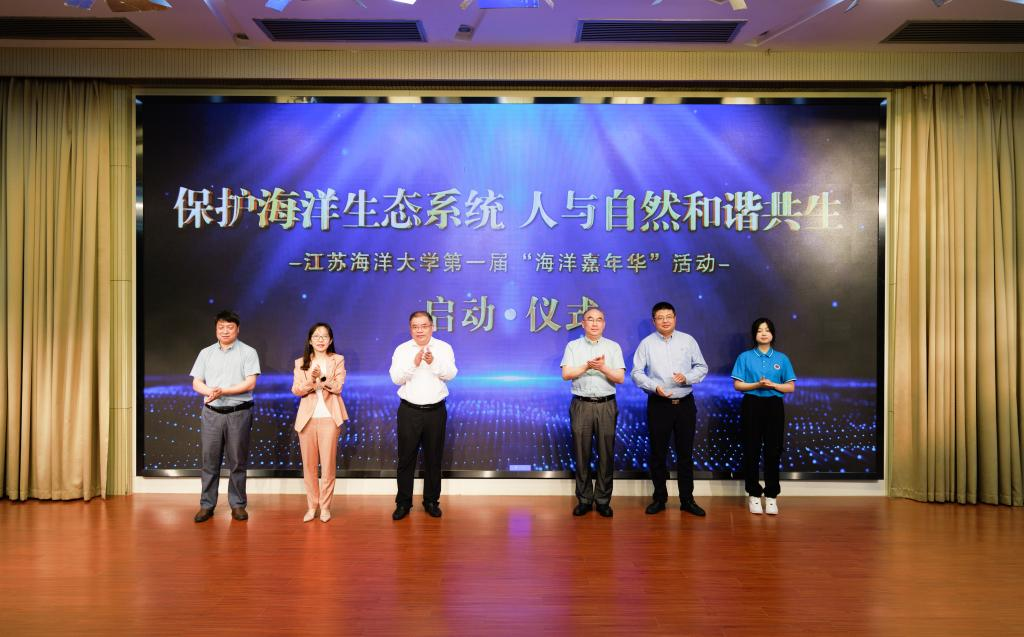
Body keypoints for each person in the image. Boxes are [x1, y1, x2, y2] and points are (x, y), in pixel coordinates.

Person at [631, 301, 709, 517]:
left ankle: (687, 500)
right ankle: (659, 499)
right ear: (653, 321)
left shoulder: (688, 340)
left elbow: (702, 367)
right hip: (659, 405)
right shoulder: (646, 344)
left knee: (685, 454)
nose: (665, 321)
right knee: (658, 454)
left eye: (669, 316)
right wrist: (653, 387)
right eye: (660, 317)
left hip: (685, 404)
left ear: (675, 318)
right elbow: (636, 373)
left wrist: (687, 377)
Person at [190, 310, 261, 523]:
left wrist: (223, 392)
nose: (225, 331)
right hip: (212, 413)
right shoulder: (206, 353)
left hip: (239, 413)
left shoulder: (248, 352)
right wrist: (209, 391)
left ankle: (238, 505)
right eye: (221, 327)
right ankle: (207, 505)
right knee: (209, 461)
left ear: (237, 329)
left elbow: (250, 383)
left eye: (229, 327)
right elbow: (196, 382)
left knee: (237, 461)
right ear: (216, 329)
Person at [388, 311, 457, 520]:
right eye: (415, 326)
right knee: (405, 459)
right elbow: (396, 379)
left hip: (435, 411)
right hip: (409, 411)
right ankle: (403, 503)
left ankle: (431, 501)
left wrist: (433, 362)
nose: (420, 330)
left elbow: (451, 374)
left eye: (424, 326)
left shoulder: (443, 348)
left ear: (432, 327)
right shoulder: (402, 350)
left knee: (433, 459)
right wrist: (414, 363)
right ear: (410, 329)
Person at [560, 307, 625, 518]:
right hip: (581, 404)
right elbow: (566, 374)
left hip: (606, 404)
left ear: (604, 324)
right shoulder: (573, 346)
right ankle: (585, 500)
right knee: (582, 454)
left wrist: (603, 368)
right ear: (583, 324)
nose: (595, 323)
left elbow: (620, 378)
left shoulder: (613, 347)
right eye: (590, 319)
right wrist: (587, 366)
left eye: (599, 319)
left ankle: (603, 501)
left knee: (606, 454)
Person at [731, 317, 796, 515]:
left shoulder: (782, 359)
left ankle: (771, 496)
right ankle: (753, 494)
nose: (764, 333)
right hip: (752, 404)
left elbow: (790, 387)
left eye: (767, 330)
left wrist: (773, 385)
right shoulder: (745, 357)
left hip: (774, 405)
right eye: (759, 330)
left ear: (772, 333)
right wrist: (757, 385)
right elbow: (737, 385)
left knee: (773, 451)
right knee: (751, 449)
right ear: (754, 335)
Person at [291, 322, 349, 523]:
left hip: (330, 418)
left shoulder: (337, 360)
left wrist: (322, 378)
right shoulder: (301, 362)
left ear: (330, 340)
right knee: (309, 467)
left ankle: (325, 507)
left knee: (328, 466)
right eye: (316, 336)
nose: (320, 340)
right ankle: (311, 506)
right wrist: (310, 380)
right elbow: (297, 390)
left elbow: (338, 387)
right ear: (310, 340)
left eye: (324, 336)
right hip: (307, 420)